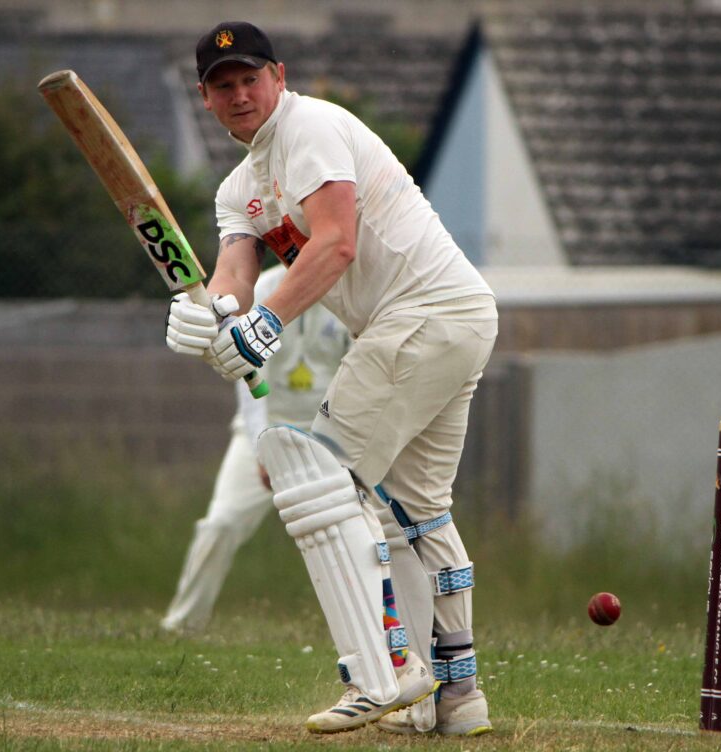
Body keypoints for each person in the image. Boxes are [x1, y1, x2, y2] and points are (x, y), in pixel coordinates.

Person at [165, 20, 497, 737]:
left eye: (251, 78)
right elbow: (235, 274)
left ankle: (383, 671)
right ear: (206, 99)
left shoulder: (308, 126)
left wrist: (264, 326)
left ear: (279, 77)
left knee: (320, 474)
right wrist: (212, 315)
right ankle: (458, 695)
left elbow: (337, 243)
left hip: (424, 313)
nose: (241, 93)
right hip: (449, 319)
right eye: (225, 86)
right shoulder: (239, 189)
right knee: (414, 508)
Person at [161, 264, 350, 633]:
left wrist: (340, 441)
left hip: (331, 433)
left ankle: (378, 631)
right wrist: (264, 445)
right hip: (261, 426)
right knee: (222, 523)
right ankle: (183, 625)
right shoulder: (263, 289)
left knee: (362, 533)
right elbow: (244, 378)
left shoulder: (350, 296)